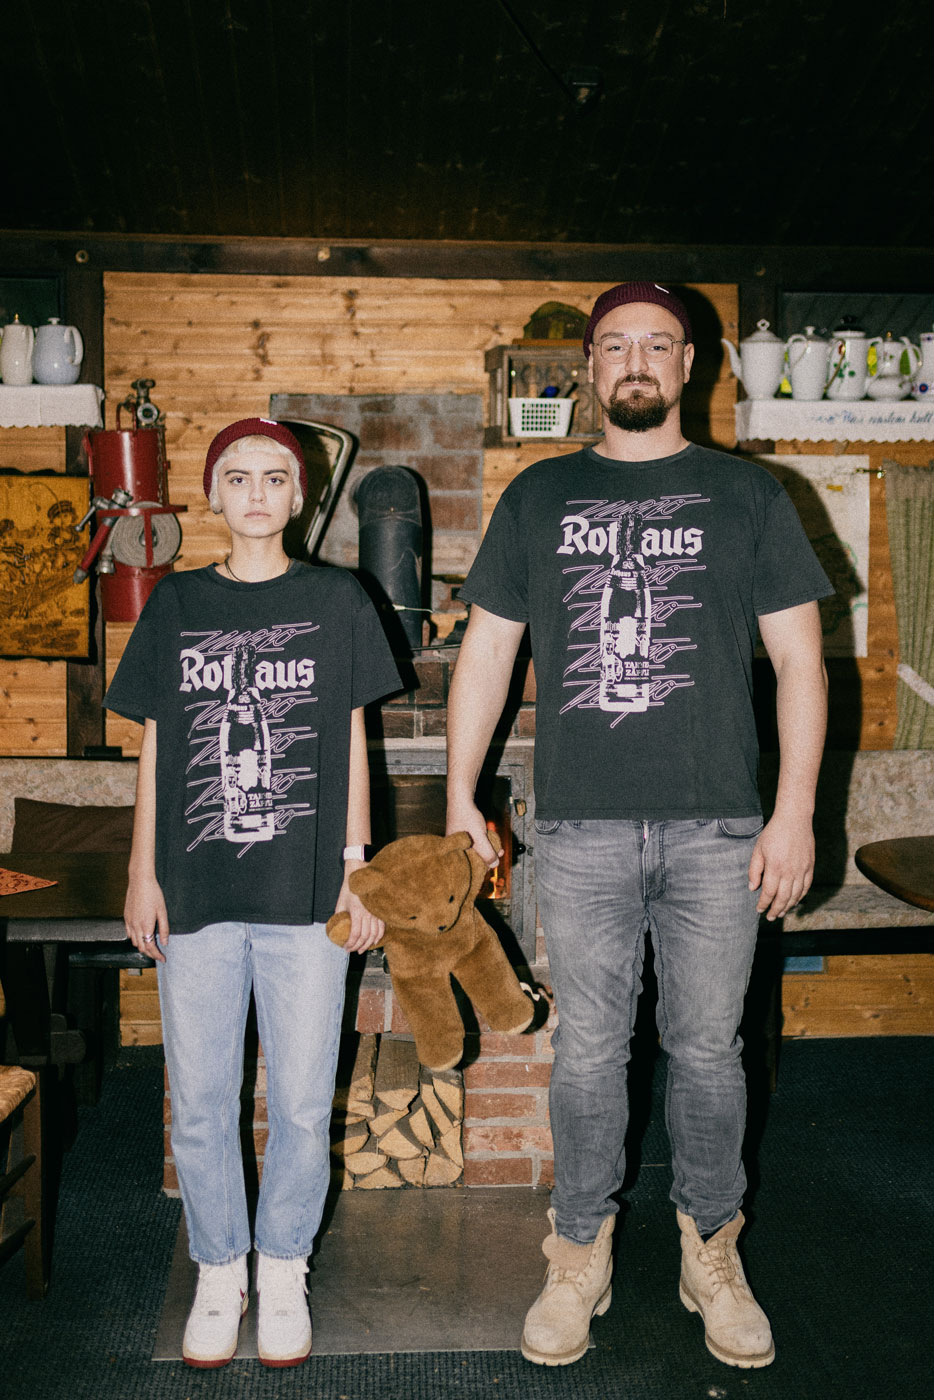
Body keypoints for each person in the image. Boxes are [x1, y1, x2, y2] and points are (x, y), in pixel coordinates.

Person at [446, 283, 832, 1370]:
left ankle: (711, 1249)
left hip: (720, 827)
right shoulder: (539, 494)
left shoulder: (747, 494)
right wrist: (459, 792)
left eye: (658, 344)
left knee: (708, 1052)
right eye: (615, 344)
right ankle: (579, 1251)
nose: (636, 360)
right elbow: (488, 650)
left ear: (690, 363)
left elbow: (800, 660)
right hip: (580, 827)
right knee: (587, 1053)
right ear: (588, 364)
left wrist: (794, 811)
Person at [105, 418, 400, 1369]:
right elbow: (156, 745)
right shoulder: (178, 602)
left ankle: (282, 1267)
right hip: (194, 888)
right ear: (212, 493)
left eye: (276, 477)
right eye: (238, 477)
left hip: (305, 893)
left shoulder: (338, 599)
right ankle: (219, 1266)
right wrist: (142, 870)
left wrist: (359, 868)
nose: (258, 494)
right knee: (199, 1100)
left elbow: (353, 741)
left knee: (305, 1102)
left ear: (300, 495)